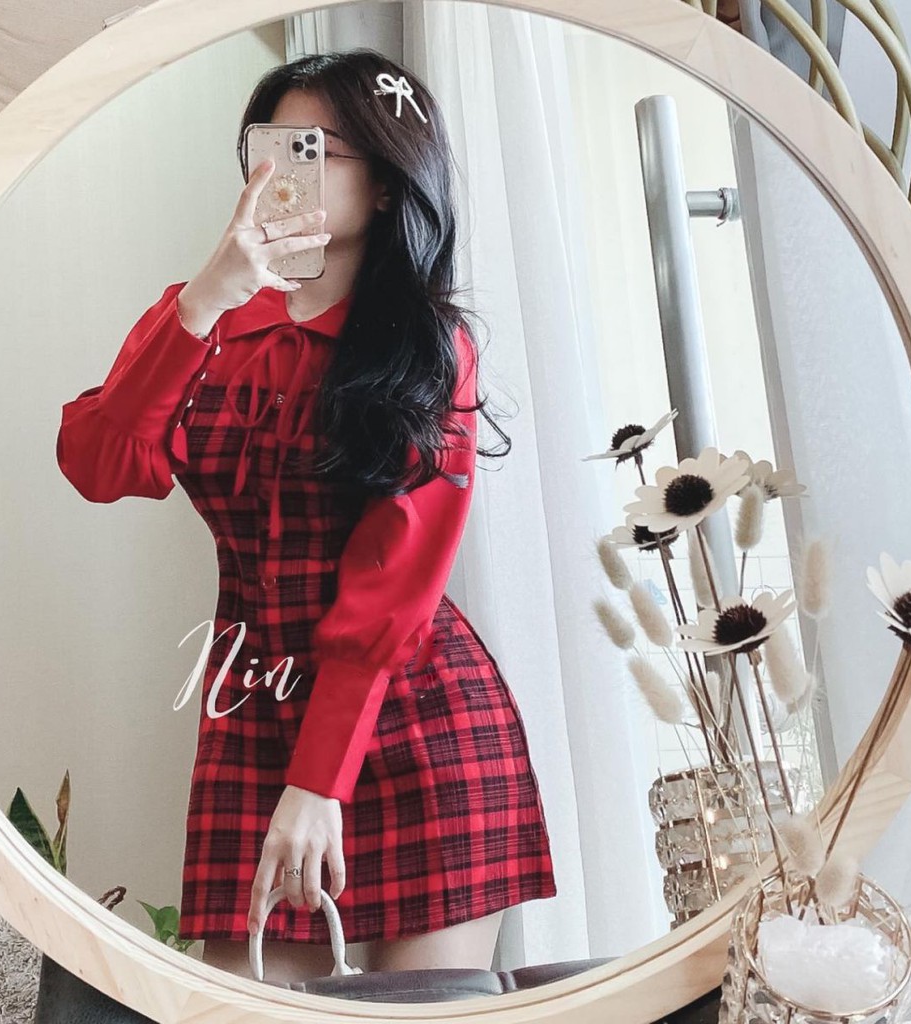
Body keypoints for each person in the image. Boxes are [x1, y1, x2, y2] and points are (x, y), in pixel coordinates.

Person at [56, 48, 556, 983]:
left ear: (385, 186)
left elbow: (393, 583)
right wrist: (205, 300)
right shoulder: (198, 322)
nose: (282, 174)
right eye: (272, 148)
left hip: (415, 713)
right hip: (255, 710)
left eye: (317, 150)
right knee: (244, 1004)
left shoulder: (428, 348)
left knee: (427, 1010)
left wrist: (319, 779)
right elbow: (99, 463)